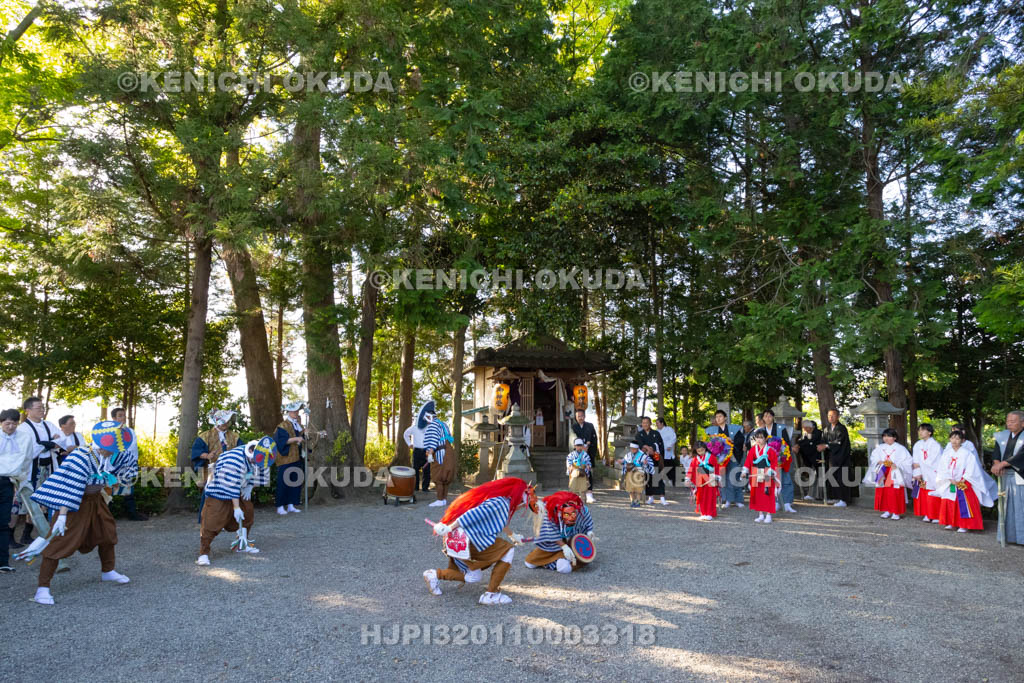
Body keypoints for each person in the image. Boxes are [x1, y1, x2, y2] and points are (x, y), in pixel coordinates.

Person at [19, 420, 137, 605]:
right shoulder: (80, 456)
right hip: (73, 503)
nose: (114, 451)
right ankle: (42, 589)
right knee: (59, 541)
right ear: (102, 443)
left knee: (107, 533)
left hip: (96, 500)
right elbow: (69, 486)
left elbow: (125, 473)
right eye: (111, 447)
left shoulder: (114, 455)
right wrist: (63, 515)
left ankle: (108, 571)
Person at [423, 477, 538, 605]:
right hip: (469, 541)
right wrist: (449, 527)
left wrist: (512, 535)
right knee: (508, 549)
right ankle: (491, 594)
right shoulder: (501, 503)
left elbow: (498, 520)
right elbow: (472, 514)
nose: (523, 506)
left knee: (474, 577)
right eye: (524, 502)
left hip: (460, 540)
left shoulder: (500, 502)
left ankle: (434, 575)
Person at [196, 436, 275, 565]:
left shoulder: (264, 457)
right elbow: (231, 484)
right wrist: (236, 508)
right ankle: (203, 553)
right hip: (219, 489)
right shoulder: (234, 459)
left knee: (247, 513)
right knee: (212, 520)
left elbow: (260, 475)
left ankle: (242, 544)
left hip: (240, 488)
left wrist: (249, 486)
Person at [932, 429, 995, 532]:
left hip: (964, 482)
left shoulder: (967, 453)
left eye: (957, 438)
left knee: (963, 502)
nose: (954, 441)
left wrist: (963, 479)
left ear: (962, 440)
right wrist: (950, 478)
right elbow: (942, 467)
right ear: (949, 439)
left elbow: (972, 468)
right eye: (952, 438)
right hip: (950, 482)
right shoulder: (947, 453)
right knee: (949, 501)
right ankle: (952, 523)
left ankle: (964, 524)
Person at [524, 491, 594, 573]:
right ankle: (550, 563)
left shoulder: (581, 510)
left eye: (573, 514)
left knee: (564, 568)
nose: (570, 518)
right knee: (529, 563)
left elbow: (586, 521)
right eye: (567, 514)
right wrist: (564, 546)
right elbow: (549, 531)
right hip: (553, 543)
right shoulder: (549, 512)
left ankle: (573, 561)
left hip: (571, 542)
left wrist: (589, 531)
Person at [190, 409, 240, 522]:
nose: (226, 424)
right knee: (210, 494)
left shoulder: (234, 436)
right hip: (212, 470)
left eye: (227, 421)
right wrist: (207, 456)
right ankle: (207, 519)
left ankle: (228, 520)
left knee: (231, 493)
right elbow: (196, 452)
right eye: (223, 421)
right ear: (217, 422)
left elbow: (242, 449)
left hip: (230, 470)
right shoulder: (205, 436)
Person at [0, 408, 33, 572]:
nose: (11, 426)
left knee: (3, 522)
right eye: (7, 423)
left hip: (8, 481)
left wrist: (21, 479)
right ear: (1, 423)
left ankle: (3, 562)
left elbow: (27, 459)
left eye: (14, 423)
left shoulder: (24, 438)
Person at [863, 428, 913, 520]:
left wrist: (896, 464)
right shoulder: (880, 447)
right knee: (883, 491)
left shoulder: (900, 448)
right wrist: (879, 461)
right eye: (884, 436)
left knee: (895, 491)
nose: (886, 438)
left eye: (889, 436)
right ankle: (886, 510)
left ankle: (896, 512)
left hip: (895, 472)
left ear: (894, 437)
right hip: (883, 471)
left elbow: (908, 461)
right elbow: (874, 457)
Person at [991, 410, 1024, 545]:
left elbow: (1021, 455)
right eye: (1008, 421)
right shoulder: (1002, 436)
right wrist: (997, 464)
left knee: (1021, 506)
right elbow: (996, 453)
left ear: (1022, 423)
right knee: (1005, 507)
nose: (1009, 424)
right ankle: (1007, 536)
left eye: (1013, 421)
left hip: (1020, 475)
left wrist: (1003, 464)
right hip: (1005, 475)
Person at [111, 407, 146, 521]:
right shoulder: (109, 432)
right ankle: (109, 514)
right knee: (109, 489)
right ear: (113, 418)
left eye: (124, 415)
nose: (123, 418)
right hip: (112, 464)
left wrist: (132, 462)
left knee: (128, 489)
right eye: (120, 415)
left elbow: (132, 447)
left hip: (128, 464)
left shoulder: (130, 431)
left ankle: (131, 513)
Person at [704, 410, 744, 509]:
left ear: (725, 418)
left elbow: (740, 440)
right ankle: (727, 500)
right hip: (719, 458)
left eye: (720, 416)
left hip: (732, 456)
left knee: (735, 477)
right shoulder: (712, 430)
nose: (718, 418)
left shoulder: (734, 428)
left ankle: (739, 500)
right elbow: (708, 444)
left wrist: (732, 441)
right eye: (716, 417)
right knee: (723, 479)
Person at [274, 401, 307, 515]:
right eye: (294, 411)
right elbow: (281, 441)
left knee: (295, 481)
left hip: (297, 457)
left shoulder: (298, 424)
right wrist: (295, 439)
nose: (297, 413)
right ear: (289, 412)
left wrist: (304, 434)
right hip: (285, 458)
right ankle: (280, 506)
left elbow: (302, 437)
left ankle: (291, 504)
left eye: (297, 411)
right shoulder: (282, 426)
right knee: (283, 482)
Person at [741, 429, 779, 523]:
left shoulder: (770, 450)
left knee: (767, 493)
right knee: (757, 494)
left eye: (761, 437)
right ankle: (760, 514)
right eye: (757, 437)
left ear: (766, 438)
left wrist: (771, 471)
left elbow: (774, 463)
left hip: (767, 473)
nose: (759, 439)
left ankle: (769, 515)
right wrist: (744, 471)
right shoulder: (753, 449)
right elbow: (748, 461)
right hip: (756, 472)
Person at [422, 400, 455, 508]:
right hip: (449, 450)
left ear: (429, 417)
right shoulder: (443, 424)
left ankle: (440, 499)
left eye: (426, 418)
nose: (426, 421)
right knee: (446, 476)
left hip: (440, 452)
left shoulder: (433, 425)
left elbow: (432, 441)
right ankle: (444, 499)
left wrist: (429, 453)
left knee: (438, 475)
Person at [911, 423, 943, 523]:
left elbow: (933, 460)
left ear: (929, 432)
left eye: (923, 430)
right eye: (919, 430)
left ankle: (936, 515)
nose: (920, 432)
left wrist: (919, 464)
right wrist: (917, 471)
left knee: (933, 492)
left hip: (933, 473)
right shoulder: (918, 444)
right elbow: (915, 461)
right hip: (922, 473)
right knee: (923, 493)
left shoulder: (935, 445)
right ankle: (926, 513)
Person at [820, 409, 852, 507]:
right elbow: (823, 441)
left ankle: (844, 500)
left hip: (842, 457)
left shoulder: (841, 428)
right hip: (832, 458)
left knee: (842, 478)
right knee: (832, 477)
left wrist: (826, 446)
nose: (831, 417)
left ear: (838, 417)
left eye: (833, 415)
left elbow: (839, 442)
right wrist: (821, 446)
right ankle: (835, 497)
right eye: (829, 416)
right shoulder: (826, 429)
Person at [685, 441, 720, 521]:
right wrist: (688, 478)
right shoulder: (695, 459)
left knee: (710, 497)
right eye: (698, 451)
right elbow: (691, 469)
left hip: (710, 479)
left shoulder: (712, 457)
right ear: (696, 451)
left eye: (702, 450)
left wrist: (716, 476)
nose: (701, 452)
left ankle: (710, 513)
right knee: (701, 497)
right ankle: (703, 513)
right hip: (700, 481)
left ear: (705, 449)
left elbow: (716, 468)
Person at [636, 416, 666, 506]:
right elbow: (640, 444)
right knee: (647, 477)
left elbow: (658, 443)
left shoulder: (656, 433)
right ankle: (650, 497)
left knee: (658, 476)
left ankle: (662, 498)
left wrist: (652, 448)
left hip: (654, 457)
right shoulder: (639, 434)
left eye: (647, 422)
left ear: (650, 423)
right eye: (643, 423)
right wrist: (646, 447)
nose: (645, 424)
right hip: (645, 458)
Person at [570, 409, 599, 504]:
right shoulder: (573, 427)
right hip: (577, 454)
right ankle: (577, 494)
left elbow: (594, 440)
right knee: (577, 473)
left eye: (582, 416)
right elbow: (572, 440)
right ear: (576, 417)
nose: (580, 418)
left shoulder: (590, 426)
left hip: (588, 453)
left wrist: (589, 447)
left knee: (588, 472)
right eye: (578, 416)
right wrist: (580, 448)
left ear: (585, 416)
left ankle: (589, 494)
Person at [405, 404, 431, 493]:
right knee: (415, 470)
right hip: (416, 451)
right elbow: (405, 434)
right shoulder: (414, 427)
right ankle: (415, 487)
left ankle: (425, 488)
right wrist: (409, 444)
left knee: (427, 470)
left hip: (427, 452)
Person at [619, 442, 653, 508]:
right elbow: (625, 461)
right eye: (631, 449)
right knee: (630, 489)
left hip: (639, 473)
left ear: (637, 448)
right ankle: (632, 501)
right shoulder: (628, 455)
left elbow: (648, 463)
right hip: (630, 472)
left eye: (634, 449)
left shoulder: (643, 455)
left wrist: (645, 463)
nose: (632, 450)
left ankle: (637, 501)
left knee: (638, 489)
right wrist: (622, 461)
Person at [797, 420, 824, 501]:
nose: (804, 429)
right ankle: (811, 494)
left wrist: (804, 444)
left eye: (805, 428)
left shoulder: (819, 433)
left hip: (819, 458)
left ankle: (820, 495)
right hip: (810, 459)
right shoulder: (805, 434)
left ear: (809, 427)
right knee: (812, 476)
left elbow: (811, 444)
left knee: (820, 476)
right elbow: (801, 442)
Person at [656, 417, 678, 489]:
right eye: (656, 424)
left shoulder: (669, 429)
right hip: (660, 451)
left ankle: (672, 480)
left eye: (658, 423)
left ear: (662, 423)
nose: (657, 425)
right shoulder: (657, 431)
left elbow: (674, 438)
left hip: (668, 450)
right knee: (662, 466)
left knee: (670, 465)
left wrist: (670, 445)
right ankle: (663, 480)